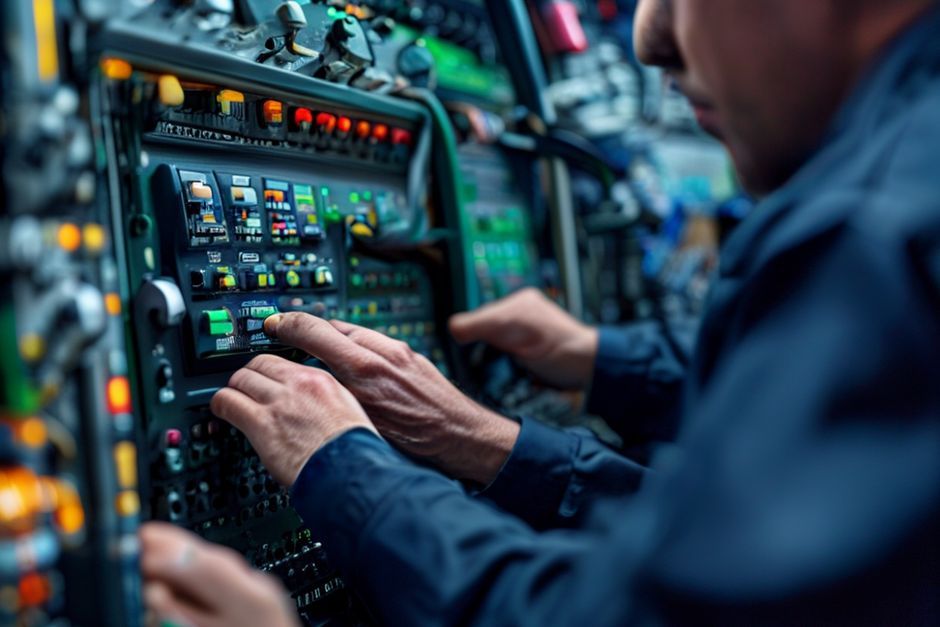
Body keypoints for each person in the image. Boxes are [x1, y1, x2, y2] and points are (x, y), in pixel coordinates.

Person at [141, 0, 940, 625]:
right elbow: (721, 547)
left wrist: (351, 476)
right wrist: (490, 438)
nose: (651, 37)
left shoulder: (874, 232)